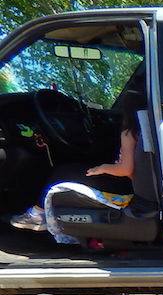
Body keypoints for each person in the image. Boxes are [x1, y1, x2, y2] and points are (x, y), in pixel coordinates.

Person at [10, 92, 144, 234]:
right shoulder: (143, 128)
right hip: (133, 185)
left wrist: (103, 168)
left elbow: (126, 169)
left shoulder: (129, 132)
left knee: (61, 173)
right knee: (76, 168)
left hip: (124, 187)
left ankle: (37, 216)